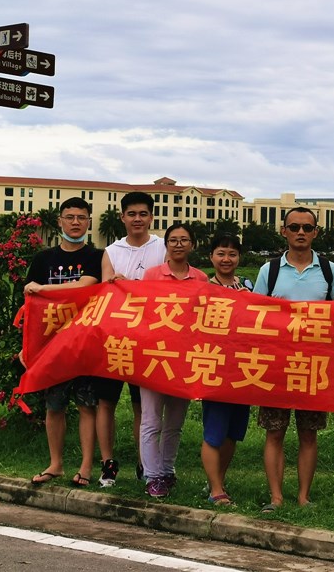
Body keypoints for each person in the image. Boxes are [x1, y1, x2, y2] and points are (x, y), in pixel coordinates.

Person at [252, 206, 334, 511]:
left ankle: (304, 497)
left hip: (314, 363)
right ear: (284, 231)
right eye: (294, 227)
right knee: (274, 431)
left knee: (308, 433)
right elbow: (256, 315)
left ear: (316, 232)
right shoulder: (269, 271)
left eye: (306, 227)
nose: (300, 232)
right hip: (276, 363)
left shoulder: (329, 270)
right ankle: (276, 497)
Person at [25, 197, 104, 488]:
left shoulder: (97, 256)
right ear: (60, 221)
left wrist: (44, 288)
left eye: (81, 217)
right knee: (54, 406)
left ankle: (85, 467)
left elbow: (85, 285)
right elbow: (30, 306)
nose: (75, 222)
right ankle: (55, 464)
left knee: (86, 406)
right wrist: (26, 346)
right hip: (52, 346)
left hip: (85, 344)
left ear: (88, 222)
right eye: (69, 217)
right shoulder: (42, 259)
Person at [97, 192, 166, 488]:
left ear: (151, 217)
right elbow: (106, 293)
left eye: (143, 214)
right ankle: (108, 463)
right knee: (106, 402)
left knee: (143, 405)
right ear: (122, 217)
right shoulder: (111, 251)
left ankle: (144, 462)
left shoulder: (163, 247)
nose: (137, 219)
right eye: (132, 214)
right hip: (115, 339)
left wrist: (133, 286)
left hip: (148, 340)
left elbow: (170, 290)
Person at [138, 222, 208, 498]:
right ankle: (152, 476)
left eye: (184, 240)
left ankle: (167, 471)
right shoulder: (152, 275)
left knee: (175, 422)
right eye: (173, 240)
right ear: (166, 245)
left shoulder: (201, 278)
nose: (178, 244)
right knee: (151, 420)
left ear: (192, 245)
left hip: (185, 359)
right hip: (154, 356)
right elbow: (142, 311)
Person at [201, 233, 253, 507]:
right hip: (215, 368)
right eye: (221, 253)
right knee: (214, 431)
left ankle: (219, 482)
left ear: (239, 258)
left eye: (232, 254)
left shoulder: (248, 287)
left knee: (233, 432)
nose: (226, 259)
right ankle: (215, 489)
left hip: (243, 368)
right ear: (211, 257)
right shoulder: (203, 288)